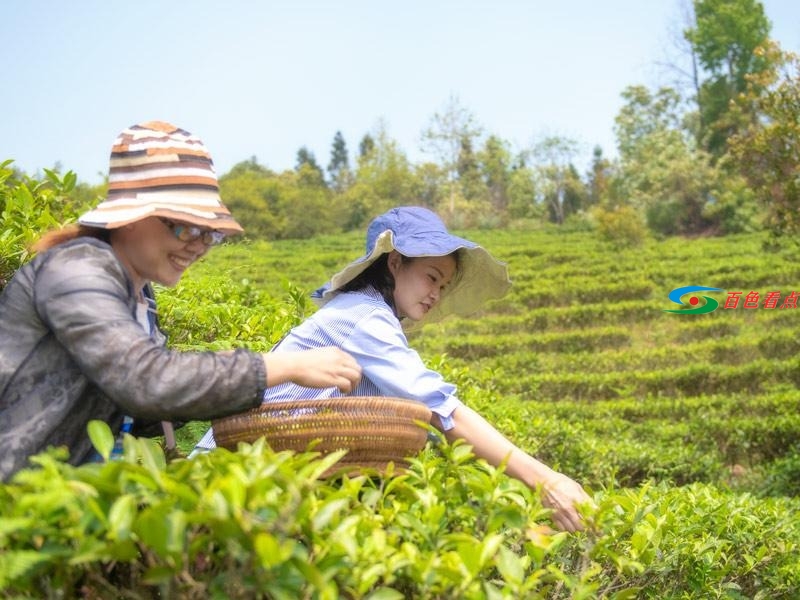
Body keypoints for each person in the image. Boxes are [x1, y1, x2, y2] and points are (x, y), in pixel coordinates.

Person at [0, 121, 361, 481]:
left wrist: (249, 399)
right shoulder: (77, 272)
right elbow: (146, 381)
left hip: (66, 502)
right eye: (185, 227)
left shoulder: (141, 296)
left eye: (210, 233)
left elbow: (144, 408)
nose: (198, 245)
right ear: (130, 218)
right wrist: (278, 367)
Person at [194, 206, 592, 531]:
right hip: (219, 483)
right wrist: (545, 480)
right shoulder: (365, 317)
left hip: (249, 482)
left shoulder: (367, 314)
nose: (435, 293)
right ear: (396, 262)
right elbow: (443, 411)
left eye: (443, 285)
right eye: (431, 277)